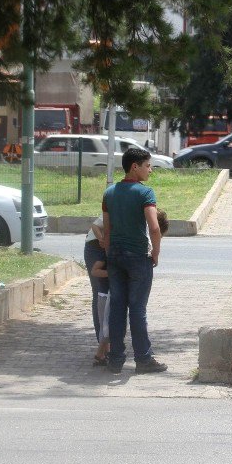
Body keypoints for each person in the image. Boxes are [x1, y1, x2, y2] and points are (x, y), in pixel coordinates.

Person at [102, 146, 167, 375]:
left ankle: (115, 359)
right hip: (138, 257)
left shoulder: (109, 193)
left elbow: (107, 231)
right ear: (135, 167)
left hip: (115, 257)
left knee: (118, 308)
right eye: (148, 166)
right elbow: (155, 228)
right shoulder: (145, 193)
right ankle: (143, 359)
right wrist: (155, 252)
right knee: (138, 309)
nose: (150, 170)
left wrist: (110, 255)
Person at [84, 216, 112, 366]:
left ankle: (107, 345)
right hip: (96, 247)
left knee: (112, 297)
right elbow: (96, 225)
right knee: (100, 294)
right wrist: (102, 239)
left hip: (110, 246)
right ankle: (103, 345)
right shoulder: (115, 201)